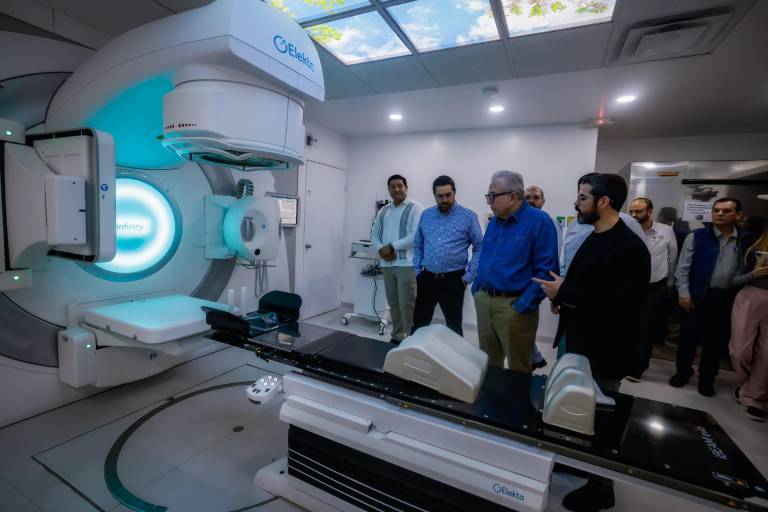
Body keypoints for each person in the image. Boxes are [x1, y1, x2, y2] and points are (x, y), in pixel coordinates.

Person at [535, 173, 650, 512]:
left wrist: (566, 293)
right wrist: (561, 297)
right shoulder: (595, 236)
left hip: (606, 348)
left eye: (583, 198)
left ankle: (602, 487)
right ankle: (581, 461)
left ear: (604, 201)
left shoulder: (629, 247)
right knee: (578, 404)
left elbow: (624, 304)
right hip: (580, 340)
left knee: (603, 414)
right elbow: (586, 285)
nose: (577, 203)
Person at [473, 171, 558, 374]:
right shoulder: (495, 222)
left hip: (514, 306)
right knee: (488, 364)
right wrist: (477, 290)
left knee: (518, 369)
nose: (489, 201)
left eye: (493, 196)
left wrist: (522, 305)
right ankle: (491, 395)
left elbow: (546, 271)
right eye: (488, 196)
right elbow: (485, 258)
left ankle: (516, 397)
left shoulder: (540, 222)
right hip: (485, 301)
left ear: (512, 197)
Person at [670, 198, 749, 397]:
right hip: (697, 297)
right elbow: (682, 269)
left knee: (716, 342)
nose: (720, 214)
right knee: (688, 338)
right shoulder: (697, 237)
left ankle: (707, 379)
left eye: (727, 211)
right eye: (717, 210)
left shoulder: (744, 240)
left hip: (725, 298)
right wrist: (684, 294)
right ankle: (683, 372)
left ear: (738, 215)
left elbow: (744, 269)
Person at [412, 175, 482, 336]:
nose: (445, 199)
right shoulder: (426, 215)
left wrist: (468, 277)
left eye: (448, 195)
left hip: (454, 280)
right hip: (427, 278)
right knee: (419, 323)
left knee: (454, 327)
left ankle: (454, 353)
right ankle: (415, 350)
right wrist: (417, 270)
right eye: (440, 196)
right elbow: (418, 244)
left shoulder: (468, 216)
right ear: (434, 195)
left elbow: (480, 247)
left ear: (454, 193)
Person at [627, 197, 678, 381]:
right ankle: (625, 361)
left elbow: (672, 259)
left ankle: (638, 368)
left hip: (654, 288)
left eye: (638, 211)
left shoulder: (666, 231)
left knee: (645, 328)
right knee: (628, 326)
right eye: (631, 211)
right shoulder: (627, 229)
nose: (634, 215)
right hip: (630, 288)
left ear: (650, 211)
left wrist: (670, 284)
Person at [371, 174, 423, 344]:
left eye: (400, 185)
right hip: (387, 264)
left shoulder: (416, 207)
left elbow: (415, 236)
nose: (396, 189)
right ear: (388, 190)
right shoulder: (384, 210)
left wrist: (392, 247)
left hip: (406, 264)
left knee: (407, 305)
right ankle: (397, 336)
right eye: (392, 186)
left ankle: (411, 340)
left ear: (406, 187)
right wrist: (381, 249)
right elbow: (374, 234)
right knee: (393, 304)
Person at [730, 217, 768, 422]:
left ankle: (756, 397)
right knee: (739, 351)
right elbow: (735, 279)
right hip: (750, 298)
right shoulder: (753, 249)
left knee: (767, 355)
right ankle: (747, 385)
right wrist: (754, 274)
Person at [524, 185, 564, 370]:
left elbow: (552, 258)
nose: (531, 201)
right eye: (527, 197)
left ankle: (532, 361)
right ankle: (534, 358)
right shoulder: (522, 222)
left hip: (534, 284)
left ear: (543, 201)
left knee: (524, 325)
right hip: (519, 283)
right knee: (520, 327)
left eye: (536, 197)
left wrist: (547, 292)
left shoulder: (549, 223)